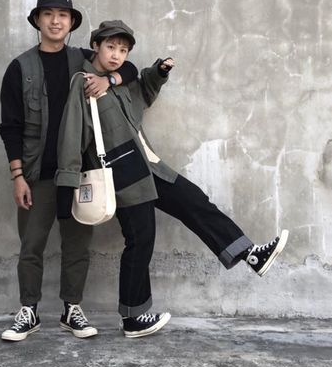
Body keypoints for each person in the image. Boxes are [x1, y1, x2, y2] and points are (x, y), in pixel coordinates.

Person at [55, 20, 289, 339]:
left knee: (194, 202)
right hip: (121, 174)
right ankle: (133, 317)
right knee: (141, 240)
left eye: (123, 50)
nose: (116, 55)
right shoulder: (83, 84)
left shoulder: (119, 80)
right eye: (110, 47)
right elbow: (71, 137)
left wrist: (159, 72)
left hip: (150, 166)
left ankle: (250, 253)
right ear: (96, 46)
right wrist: (66, 189)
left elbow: (143, 93)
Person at [0, 0, 139, 342]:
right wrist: (18, 176)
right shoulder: (20, 68)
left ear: (72, 22)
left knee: (77, 246)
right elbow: (10, 127)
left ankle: (71, 309)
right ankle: (28, 311)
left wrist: (109, 81)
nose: (56, 21)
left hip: (79, 173)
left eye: (63, 14)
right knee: (32, 245)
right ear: (37, 20)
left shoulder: (85, 60)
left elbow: (129, 69)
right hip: (38, 174)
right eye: (48, 14)